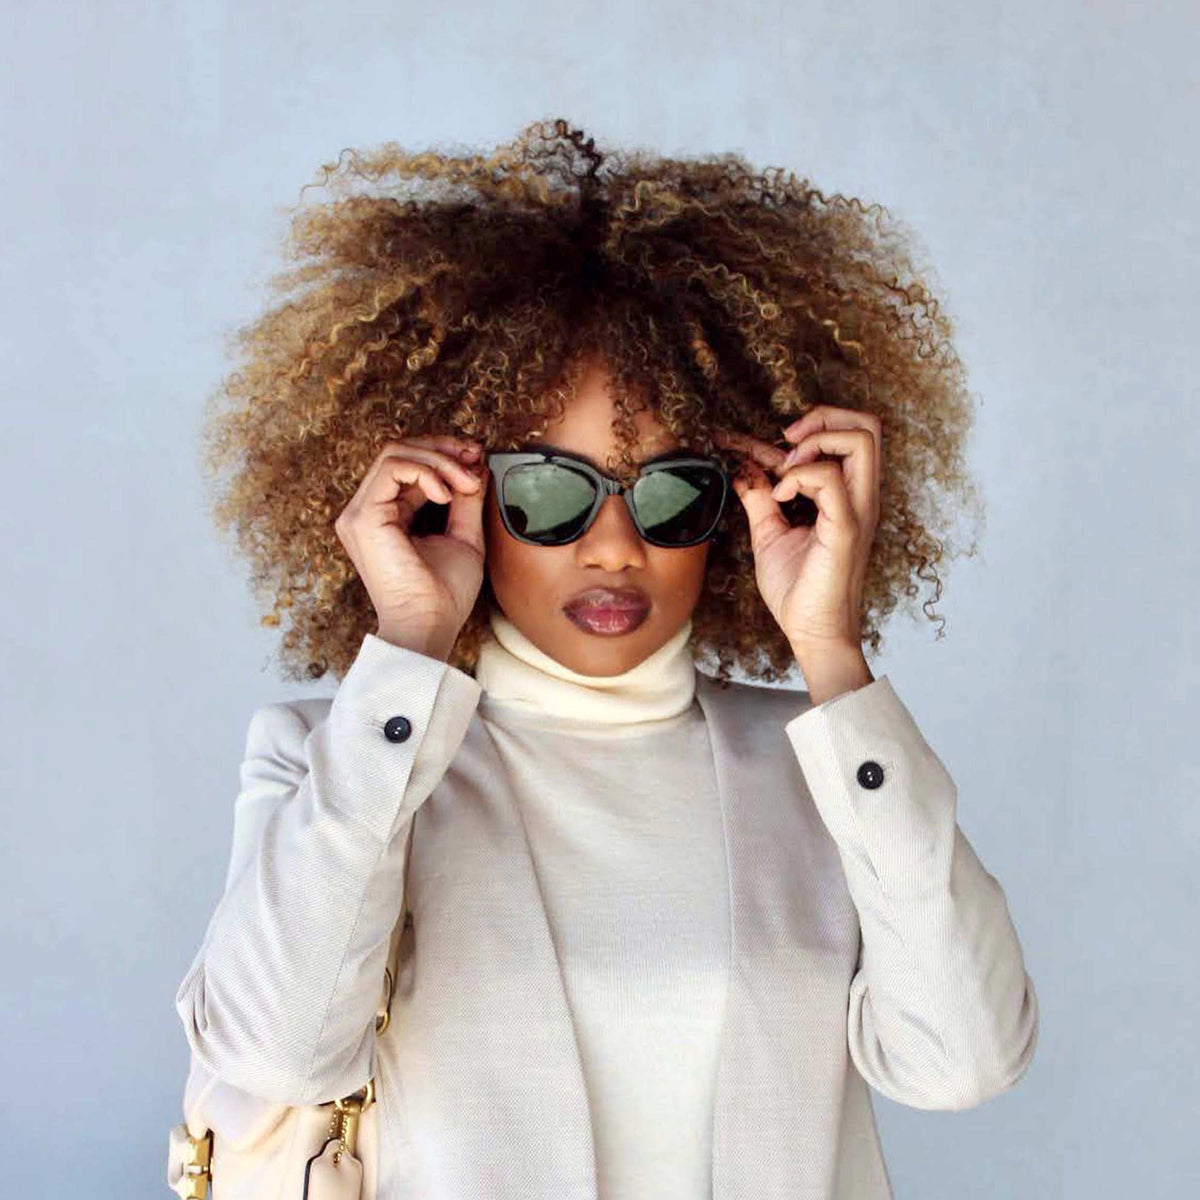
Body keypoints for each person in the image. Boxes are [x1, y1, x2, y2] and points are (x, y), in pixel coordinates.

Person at [174, 118, 1038, 1198]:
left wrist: (830, 653)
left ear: (733, 506)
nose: (618, 545)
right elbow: (276, 1050)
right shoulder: (332, 760)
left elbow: (963, 1061)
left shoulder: (823, 769)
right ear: (458, 494)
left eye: (673, 489)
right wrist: (407, 648)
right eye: (548, 490)